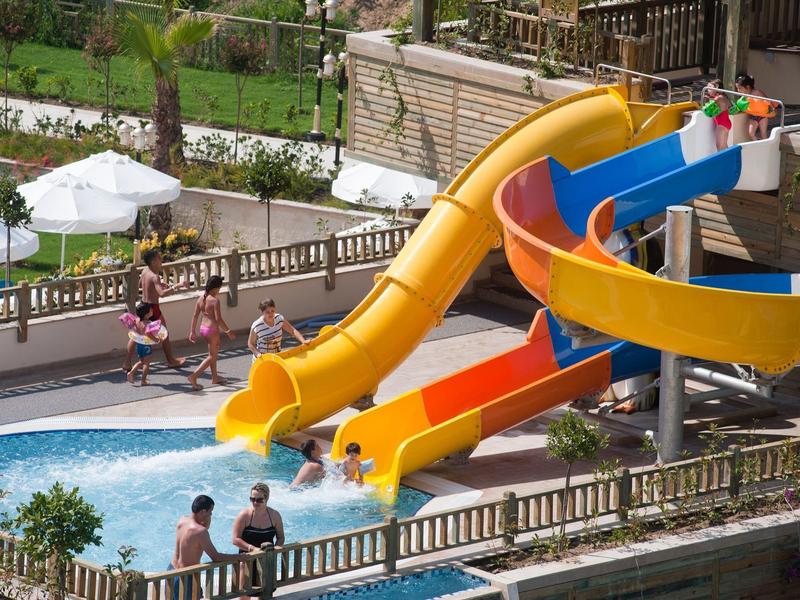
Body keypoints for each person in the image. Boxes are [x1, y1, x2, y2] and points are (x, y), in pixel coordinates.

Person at [123, 249, 188, 372]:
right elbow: (162, 294)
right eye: (159, 258)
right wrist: (177, 286)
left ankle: (126, 363)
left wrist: (160, 283)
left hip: (142, 305)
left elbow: (143, 284)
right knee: (165, 334)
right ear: (153, 261)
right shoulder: (155, 276)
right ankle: (171, 361)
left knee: (136, 335)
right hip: (153, 308)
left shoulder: (145, 271)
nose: (161, 260)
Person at [169, 495, 245, 600]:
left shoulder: (182, 520)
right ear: (203, 512)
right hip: (186, 575)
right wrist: (238, 557)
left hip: (172, 570)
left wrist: (205, 523)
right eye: (210, 512)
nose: (211, 514)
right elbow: (216, 557)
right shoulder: (200, 531)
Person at [231, 483, 285, 597]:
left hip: (266, 560)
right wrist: (252, 548)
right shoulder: (244, 515)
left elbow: (281, 537)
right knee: (245, 595)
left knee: (265, 594)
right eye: (252, 499)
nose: (255, 502)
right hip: (247, 561)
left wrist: (274, 549)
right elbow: (235, 539)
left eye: (259, 500)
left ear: (267, 498)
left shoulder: (274, 516)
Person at [187, 275, 235, 391]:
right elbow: (218, 319)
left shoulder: (200, 299)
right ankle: (194, 376)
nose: (219, 291)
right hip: (212, 331)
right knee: (212, 356)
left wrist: (192, 331)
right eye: (219, 288)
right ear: (216, 288)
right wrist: (228, 331)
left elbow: (195, 316)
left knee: (212, 354)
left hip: (203, 329)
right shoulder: (215, 301)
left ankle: (215, 377)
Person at [735, 74, 779, 141]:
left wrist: (772, 108)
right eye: (737, 88)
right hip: (753, 116)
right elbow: (741, 106)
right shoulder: (743, 97)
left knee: (763, 134)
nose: (738, 90)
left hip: (763, 116)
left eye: (740, 88)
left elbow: (767, 100)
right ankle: (757, 144)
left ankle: (765, 148)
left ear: (747, 87)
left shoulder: (757, 92)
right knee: (751, 133)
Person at [125, 302, 157, 386]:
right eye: (151, 310)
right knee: (146, 362)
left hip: (139, 344)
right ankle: (140, 378)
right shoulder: (147, 323)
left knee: (142, 361)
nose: (152, 311)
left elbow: (135, 330)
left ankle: (135, 375)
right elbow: (148, 334)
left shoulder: (138, 321)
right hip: (146, 345)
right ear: (146, 314)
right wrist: (156, 339)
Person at [707, 79, 731, 150]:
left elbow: (708, 109)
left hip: (721, 124)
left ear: (716, 87)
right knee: (724, 146)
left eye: (710, 87)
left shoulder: (718, 98)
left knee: (719, 147)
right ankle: (729, 160)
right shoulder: (723, 97)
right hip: (726, 123)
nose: (708, 90)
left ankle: (722, 161)